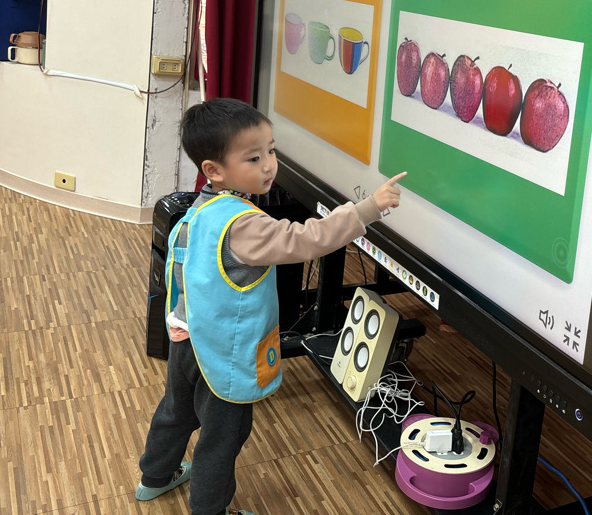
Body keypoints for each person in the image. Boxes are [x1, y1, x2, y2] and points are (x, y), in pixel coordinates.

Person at [135, 97, 405, 515]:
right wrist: (368, 208)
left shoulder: (199, 209)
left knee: (176, 412)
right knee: (223, 438)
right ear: (214, 170)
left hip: (185, 338)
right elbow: (305, 240)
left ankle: (154, 477)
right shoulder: (245, 224)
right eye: (254, 157)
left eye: (271, 151)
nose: (269, 166)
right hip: (222, 354)